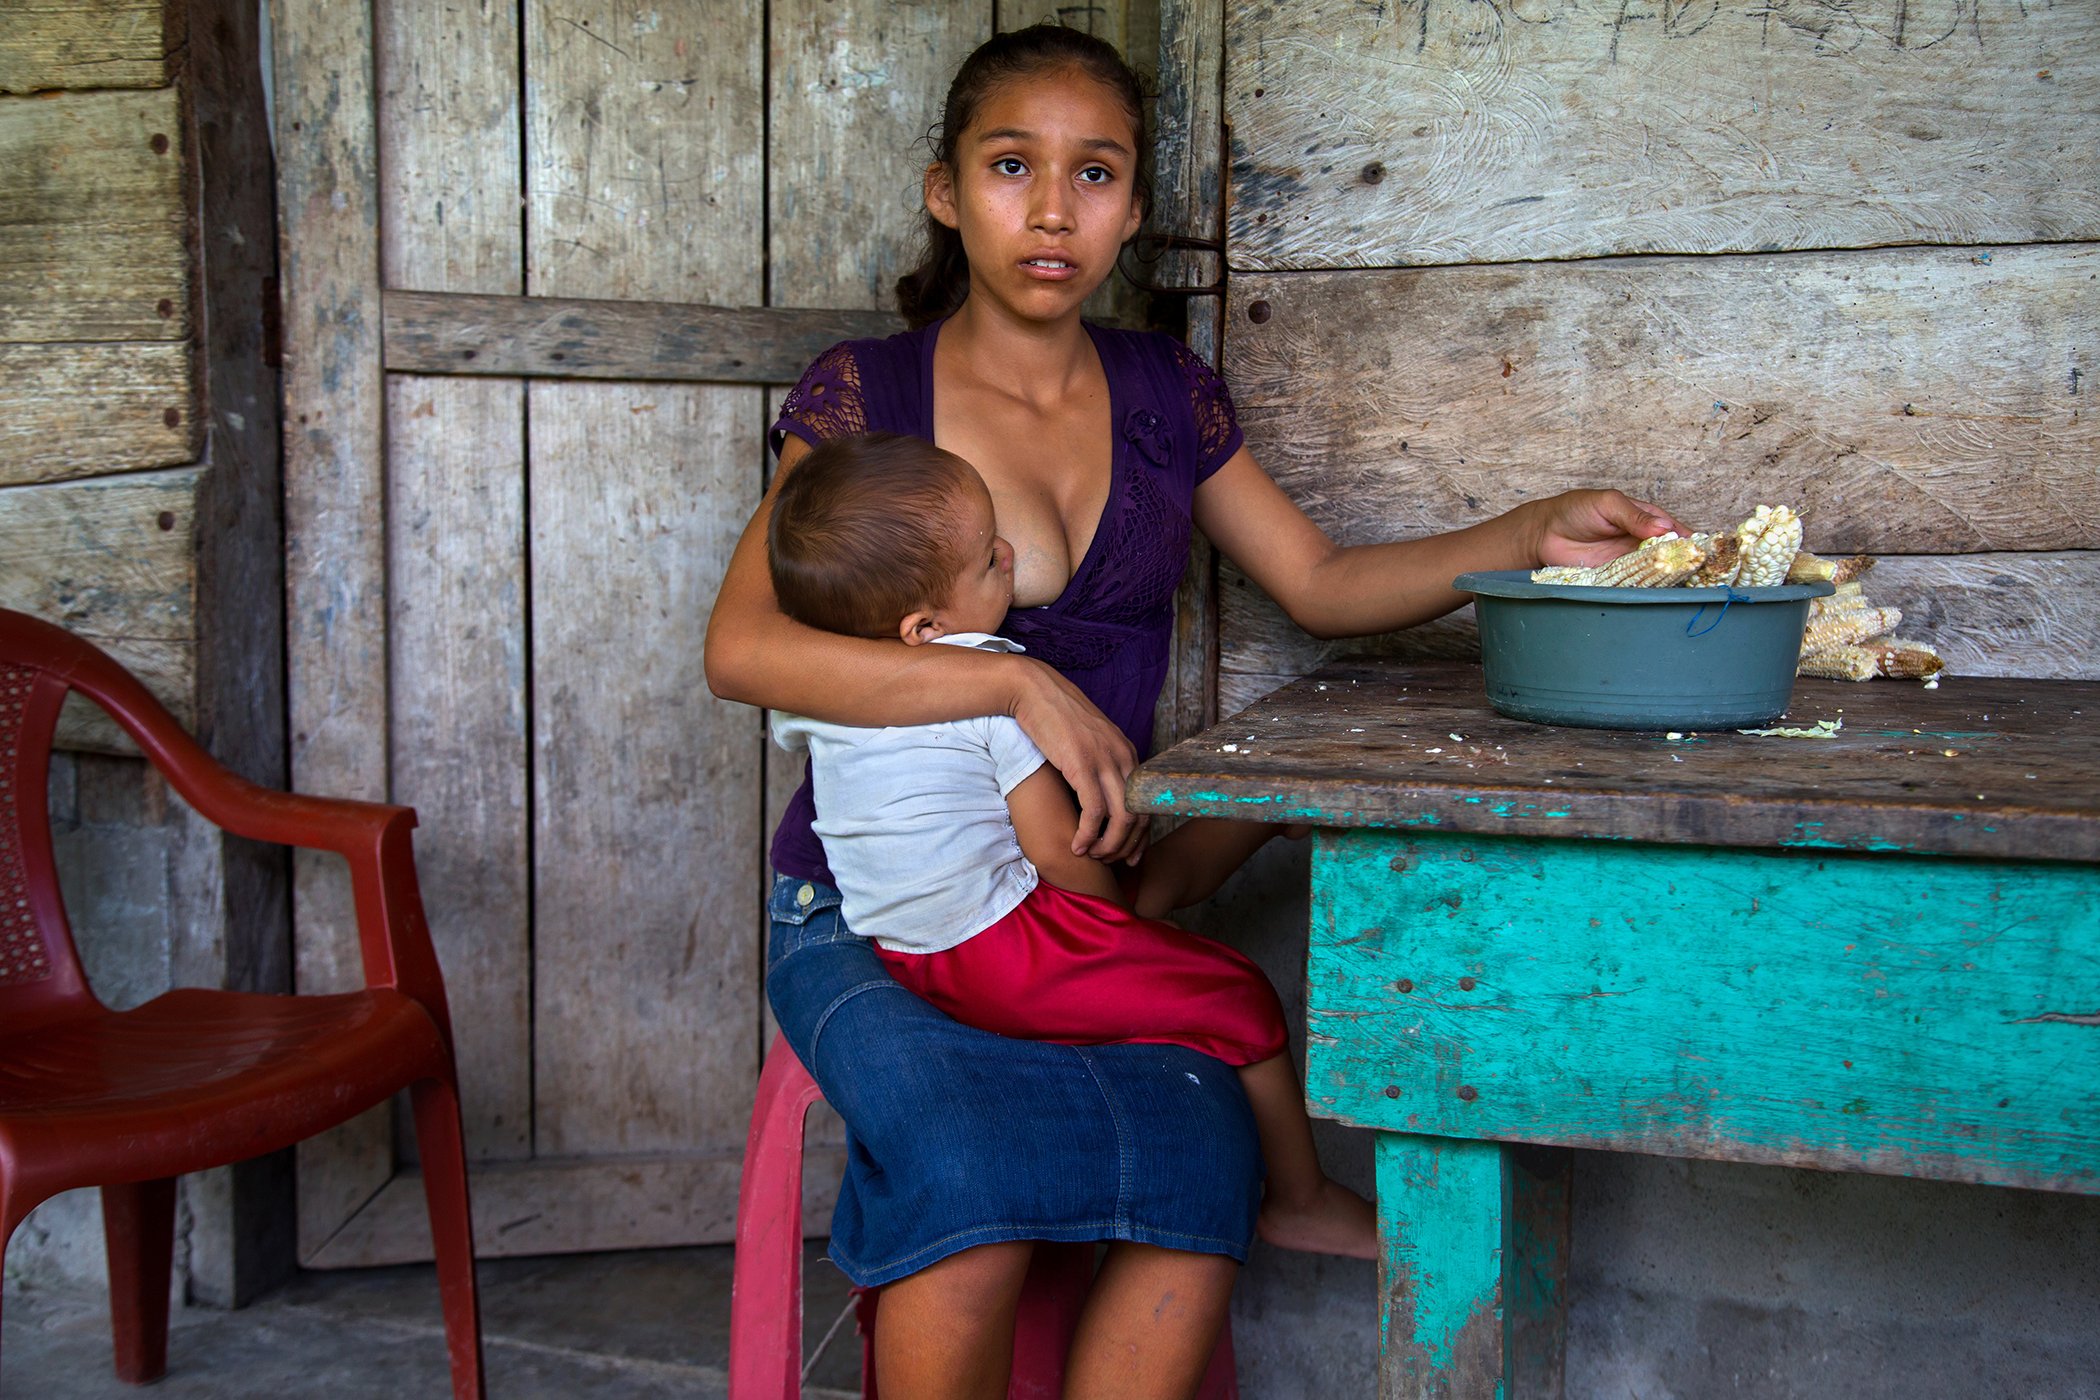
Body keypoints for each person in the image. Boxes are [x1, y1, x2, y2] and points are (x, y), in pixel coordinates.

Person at [704, 22, 1681, 1397]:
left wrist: (1525, 531)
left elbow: (1325, 582)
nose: (1052, 210)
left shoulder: (1168, 398)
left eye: (1094, 175)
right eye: (1009, 166)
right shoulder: (873, 396)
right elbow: (743, 651)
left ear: (1136, 211)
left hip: (1072, 904)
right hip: (872, 909)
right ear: (945, 191)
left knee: (1201, 1147)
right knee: (974, 1182)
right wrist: (1010, 673)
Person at [765, 431, 1377, 1259]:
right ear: (925, 627)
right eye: (988, 560)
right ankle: (1299, 1200)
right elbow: (1059, 856)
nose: (1010, 556)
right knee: (1239, 995)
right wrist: (1119, 931)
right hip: (1000, 954)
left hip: (905, 951)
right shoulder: (987, 685)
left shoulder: (825, 695)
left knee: (1142, 885)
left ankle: (1259, 818)